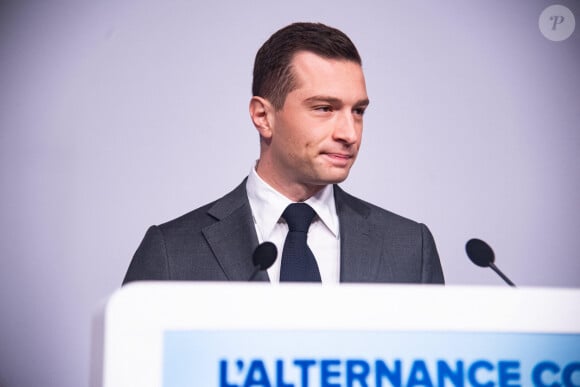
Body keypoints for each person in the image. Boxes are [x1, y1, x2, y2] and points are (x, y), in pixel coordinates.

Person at [123, 22, 444, 285]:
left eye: (358, 111)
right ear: (263, 116)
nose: (349, 133)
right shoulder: (172, 250)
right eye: (324, 108)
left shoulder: (410, 248)